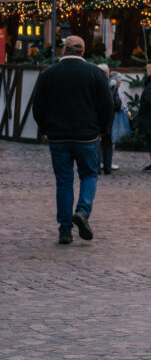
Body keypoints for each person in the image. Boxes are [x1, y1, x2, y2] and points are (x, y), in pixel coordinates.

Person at [32, 35, 113, 245]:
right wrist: (103, 130)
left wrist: (46, 128)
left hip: (58, 137)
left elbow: (38, 107)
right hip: (87, 136)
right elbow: (107, 106)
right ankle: (83, 211)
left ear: (64, 51)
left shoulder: (49, 74)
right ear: (82, 51)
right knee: (89, 175)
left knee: (64, 182)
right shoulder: (95, 73)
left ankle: (65, 230)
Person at [97, 63, 122, 174]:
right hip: (109, 119)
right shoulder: (112, 85)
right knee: (107, 143)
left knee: (96, 143)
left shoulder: (94, 85)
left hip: (96, 118)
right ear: (107, 73)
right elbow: (117, 103)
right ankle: (107, 167)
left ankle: (96, 167)